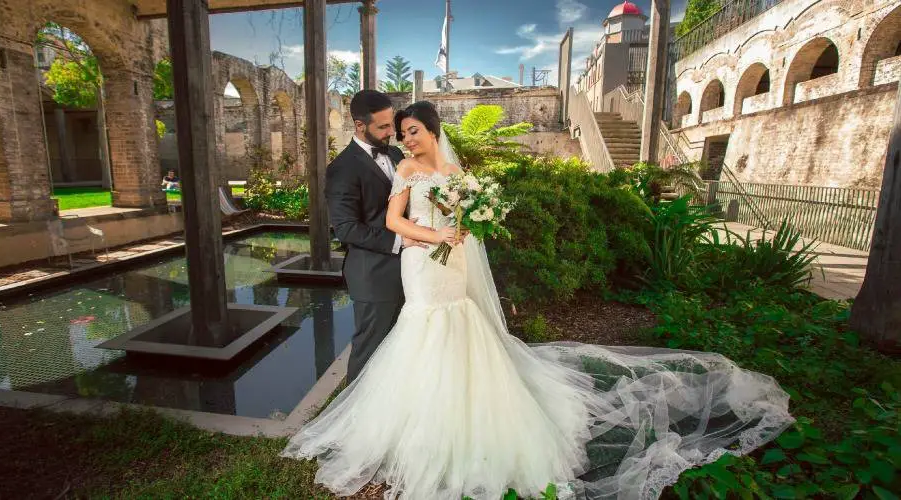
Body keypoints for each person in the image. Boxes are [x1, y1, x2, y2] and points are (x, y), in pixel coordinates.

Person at [282, 101, 794, 500]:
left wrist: (465, 226)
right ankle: (408, 425)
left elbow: (466, 219)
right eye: (401, 132)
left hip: (453, 264)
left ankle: (471, 407)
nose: (405, 138)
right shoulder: (407, 172)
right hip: (420, 261)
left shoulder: (458, 175)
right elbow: (393, 222)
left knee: (463, 327)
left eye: (412, 130)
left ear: (433, 130)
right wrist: (433, 237)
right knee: (423, 329)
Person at [324, 90, 427, 383]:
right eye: (382, 127)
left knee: (400, 346)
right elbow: (345, 228)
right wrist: (400, 241)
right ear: (359, 126)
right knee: (369, 350)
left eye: (391, 124)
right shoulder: (341, 169)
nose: (392, 132)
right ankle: (355, 412)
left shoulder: (395, 154)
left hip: (410, 268)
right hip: (373, 275)